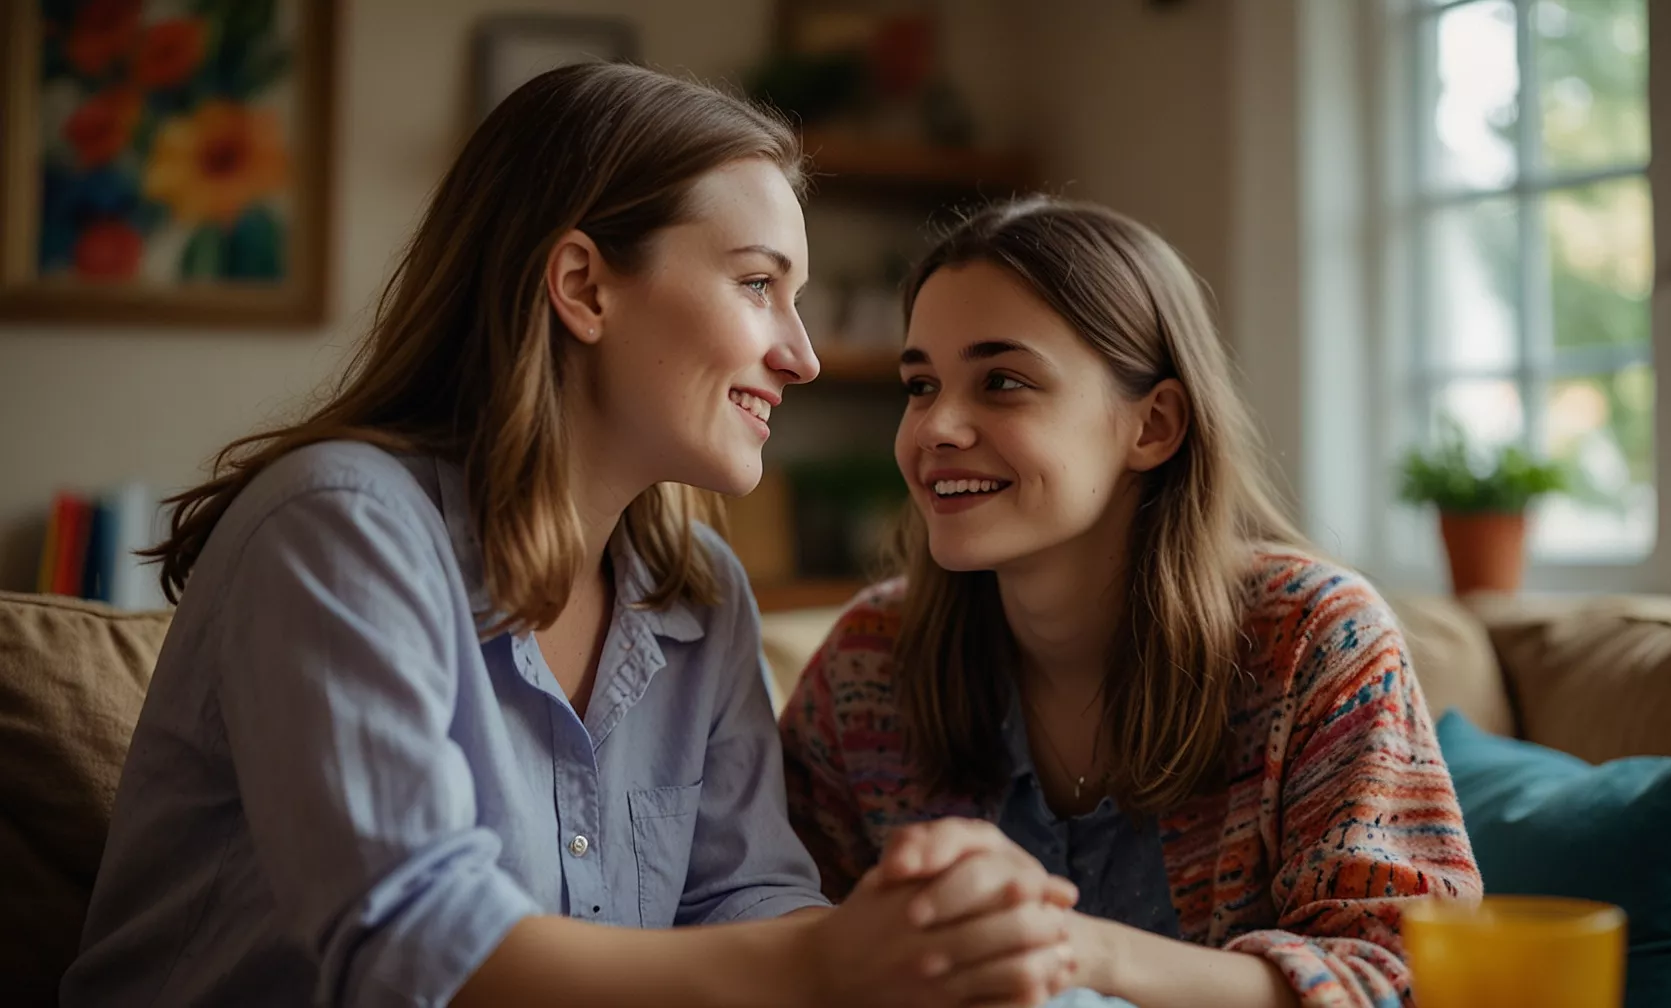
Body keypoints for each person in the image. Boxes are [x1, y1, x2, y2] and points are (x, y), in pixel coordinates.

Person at [62, 63, 1079, 1008]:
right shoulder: (338, 529)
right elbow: (413, 946)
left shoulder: (698, 590)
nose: (802, 356)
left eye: (797, 300)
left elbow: (743, 898)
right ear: (584, 287)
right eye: (757, 285)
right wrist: (822, 962)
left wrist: (921, 947)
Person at [780, 197, 1484, 1008]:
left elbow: (1407, 975)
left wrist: (1077, 949)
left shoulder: (1315, 640)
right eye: (920, 384)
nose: (936, 426)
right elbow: (774, 930)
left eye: (1002, 382)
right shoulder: (870, 664)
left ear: (1153, 425)